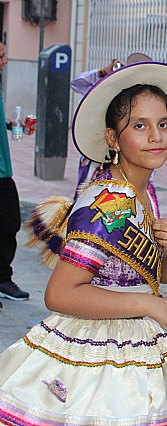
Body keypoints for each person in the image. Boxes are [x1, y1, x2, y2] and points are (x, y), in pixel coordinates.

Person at [0, 62, 167, 424]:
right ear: (113, 138)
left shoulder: (145, 190)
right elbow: (60, 294)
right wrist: (151, 307)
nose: (156, 136)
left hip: (133, 337)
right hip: (99, 352)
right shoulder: (109, 202)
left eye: (164, 124)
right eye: (140, 126)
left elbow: (151, 276)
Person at [71, 53, 153, 197]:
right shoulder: (108, 94)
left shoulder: (153, 104)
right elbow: (77, 84)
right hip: (100, 161)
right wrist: (102, 72)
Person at [0, 42, 29, 306]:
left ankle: (2, 278)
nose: (5, 60)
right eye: (0, 56)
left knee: (10, 223)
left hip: (3, 171)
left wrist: (12, 125)